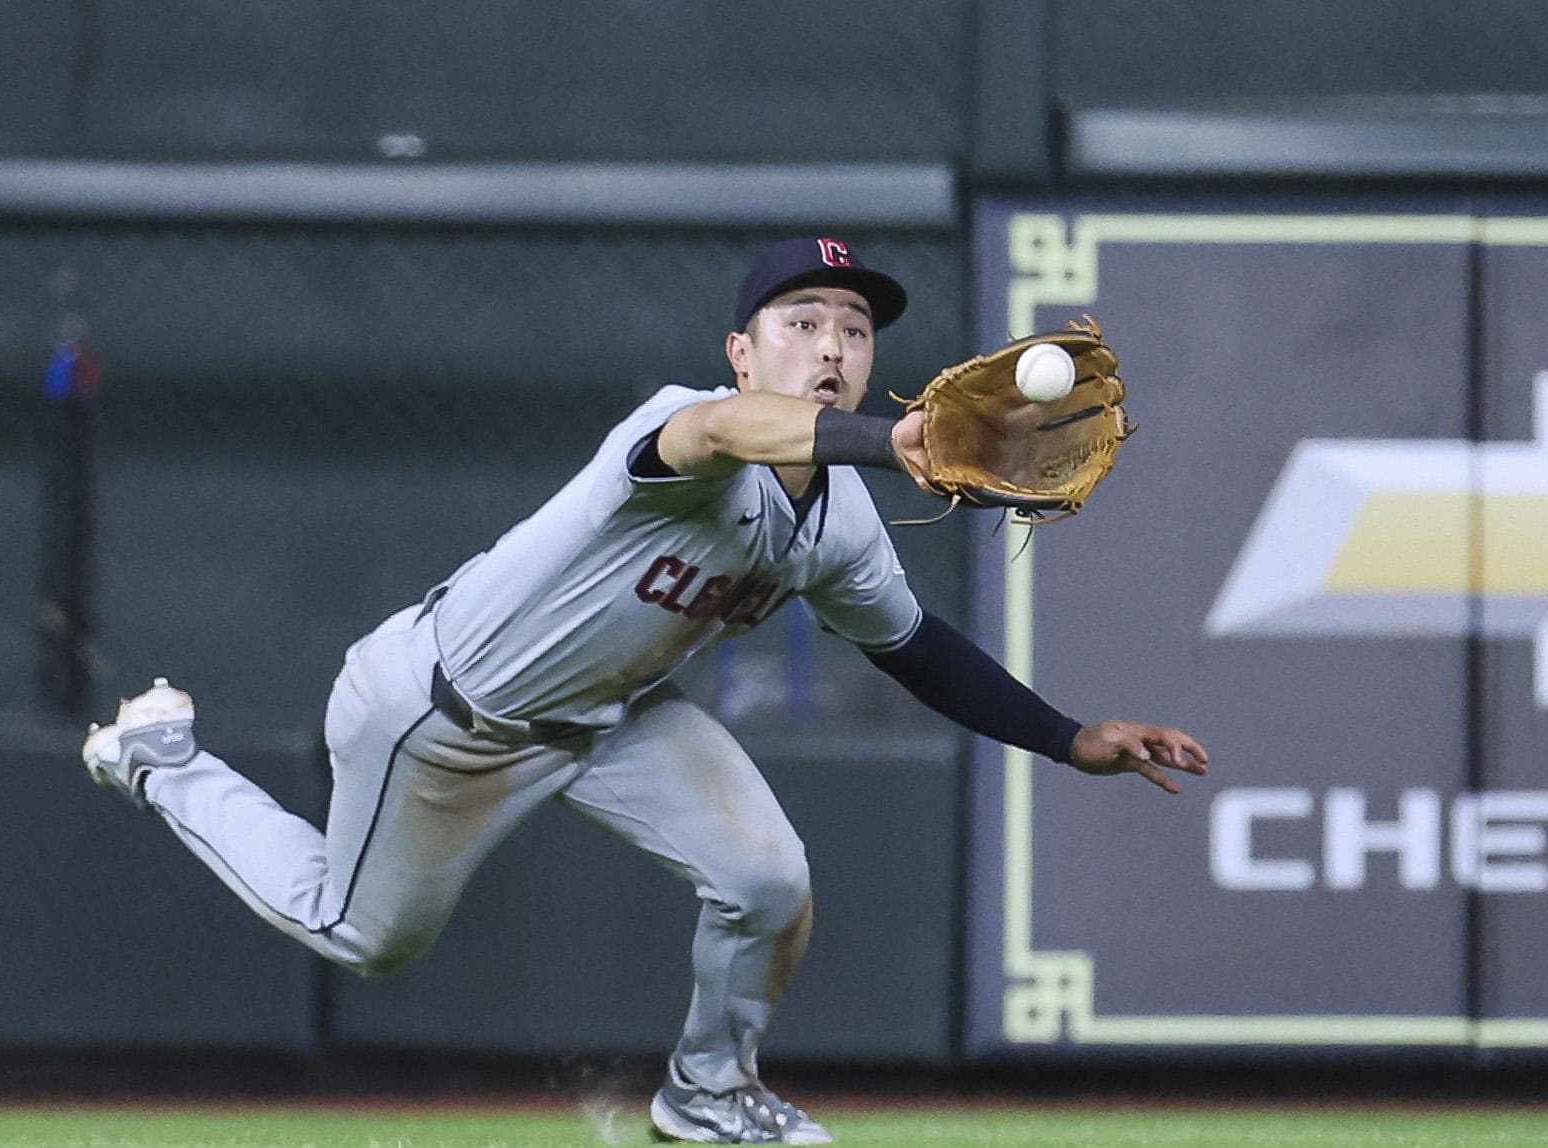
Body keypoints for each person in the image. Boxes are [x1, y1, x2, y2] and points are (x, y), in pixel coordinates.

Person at [81, 237, 1208, 1144]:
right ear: (742, 347)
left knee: (766, 878)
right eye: (801, 321)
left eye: (854, 328)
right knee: (363, 936)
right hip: (442, 716)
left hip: (612, 719)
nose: (831, 342)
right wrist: (884, 437)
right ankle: (161, 760)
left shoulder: (840, 523)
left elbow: (914, 647)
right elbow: (726, 429)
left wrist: (1069, 736)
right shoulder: (684, 423)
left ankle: (709, 1094)